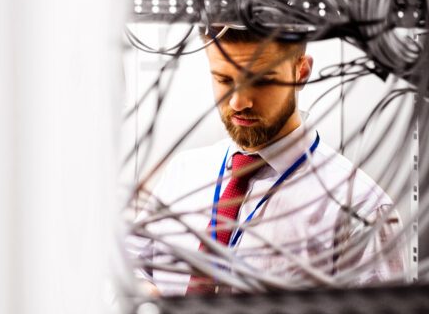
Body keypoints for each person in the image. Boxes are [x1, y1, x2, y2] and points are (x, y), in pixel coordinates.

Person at [131, 26, 409, 296]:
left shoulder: (360, 206)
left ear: (301, 71)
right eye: (224, 80)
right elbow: (126, 269)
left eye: (261, 80)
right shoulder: (183, 174)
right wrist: (143, 295)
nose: (239, 102)